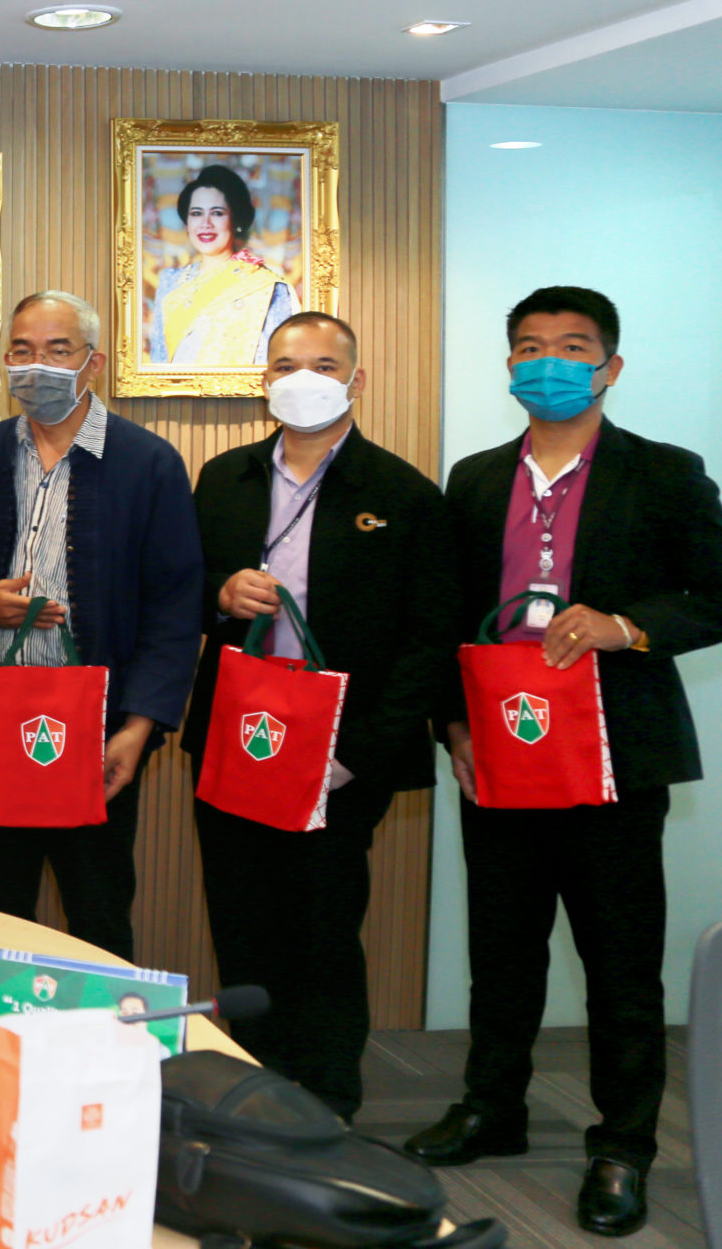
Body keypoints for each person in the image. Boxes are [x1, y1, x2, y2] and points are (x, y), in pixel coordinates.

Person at [407, 286, 722, 1238]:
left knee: (620, 961)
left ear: (610, 366)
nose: (549, 363)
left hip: (613, 755)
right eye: (530, 346)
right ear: (508, 365)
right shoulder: (475, 478)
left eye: (572, 347)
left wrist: (626, 625)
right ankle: (494, 1107)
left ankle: (624, 1144)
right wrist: (453, 727)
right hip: (501, 749)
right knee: (503, 948)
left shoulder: (664, 472)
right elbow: (447, 616)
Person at [186, 311, 454, 1121]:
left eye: (325, 365)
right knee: (241, 917)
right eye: (286, 364)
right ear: (265, 380)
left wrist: (360, 751)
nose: (304, 378)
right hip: (239, 734)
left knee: (324, 924)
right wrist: (221, 594)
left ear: (356, 380)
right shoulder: (223, 477)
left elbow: (430, 637)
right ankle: (255, 1088)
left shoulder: (402, 493)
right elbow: (177, 594)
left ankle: (329, 1101)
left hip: (341, 747)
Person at [0, 290, 202, 960]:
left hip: (99, 729)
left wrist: (139, 726)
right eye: (22, 350)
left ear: (94, 363)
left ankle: (97, 1033)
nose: (38, 365)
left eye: (58, 350)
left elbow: (176, 606)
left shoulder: (148, 461)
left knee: (97, 910)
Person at [146, 164, 295, 366]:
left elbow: (276, 363)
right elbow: (159, 361)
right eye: (196, 213)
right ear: (187, 222)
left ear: (236, 220)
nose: (205, 224)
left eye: (217, 213)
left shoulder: (265, 285)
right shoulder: (170, 281)